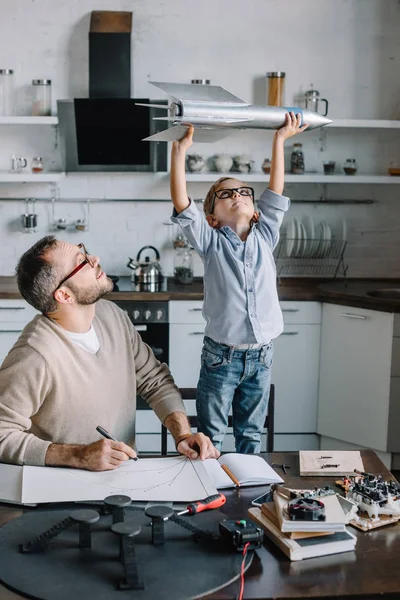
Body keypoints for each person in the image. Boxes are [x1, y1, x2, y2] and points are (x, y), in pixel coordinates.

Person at [0, 236, 219, 469]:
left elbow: (155, 381)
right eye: (82, 262)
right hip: (61, 495)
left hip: (124, 477)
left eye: (84, 251)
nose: (95, 259)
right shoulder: (34, 355)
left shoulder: (111, 314)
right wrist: (78, 456)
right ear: (64, 295)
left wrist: (183, 435)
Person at [170, 112, 308, 453]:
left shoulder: (265, 235)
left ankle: (249, 499)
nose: (238, 195)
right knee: (210, 437)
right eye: (226, 193)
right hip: (221, 357)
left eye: (244, 191)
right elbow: (181, 203)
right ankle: (207, 491)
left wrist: (279, 141)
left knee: (250, 436)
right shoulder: (210, 242)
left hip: (262, 356)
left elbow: (275, 191)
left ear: (256, 209)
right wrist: (179, 153)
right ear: (212, 217)